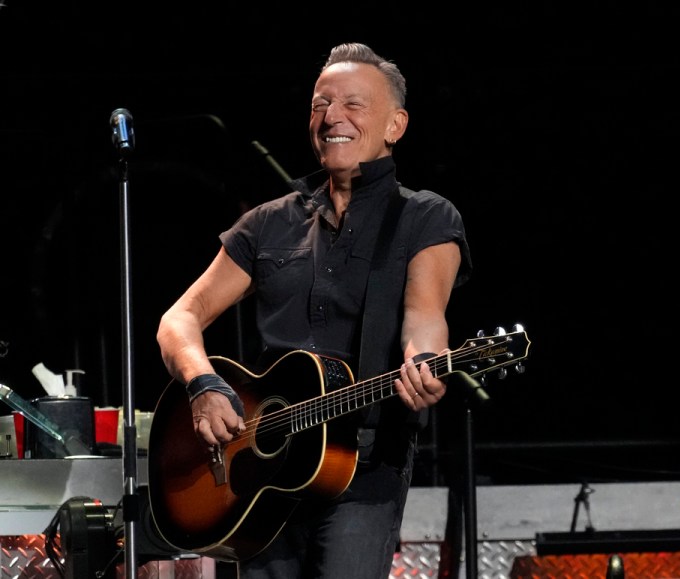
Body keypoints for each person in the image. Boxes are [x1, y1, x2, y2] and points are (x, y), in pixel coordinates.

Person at [155, 42, 472, 578]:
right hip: (257, 471)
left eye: (353, 104)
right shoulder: (268, 223)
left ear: (396, 125)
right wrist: (203, 385)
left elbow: (424, 314)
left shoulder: (425, 217)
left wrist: (426, 359)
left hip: (362, 467)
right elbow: (178, 319)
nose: (332, 117)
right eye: (320, 104)